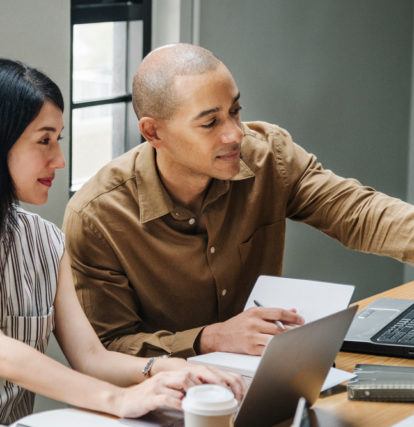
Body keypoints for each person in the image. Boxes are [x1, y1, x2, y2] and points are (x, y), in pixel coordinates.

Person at [63, 43, 414, 360]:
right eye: (210, 122)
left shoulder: (268, 156)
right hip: (160, 401)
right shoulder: (97, 216)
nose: (234, 133)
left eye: (235, 111)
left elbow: (361, 213)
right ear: (154, 132)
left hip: (263, 379)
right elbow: (107, 347)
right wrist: (207, 339)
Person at [0, 58, 244, 426]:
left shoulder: (45, 241)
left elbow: (91, 357)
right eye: (44, 141)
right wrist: (119, 399)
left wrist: (169, 370)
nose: (60, 159)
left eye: (58, 140)